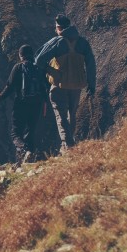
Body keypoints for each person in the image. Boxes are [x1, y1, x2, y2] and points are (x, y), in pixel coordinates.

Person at [35, 14, 96, 154]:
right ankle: (70, 143)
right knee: (72, 114)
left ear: (59, 27)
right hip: (77, 86)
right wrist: (91, 84)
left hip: (59, 85)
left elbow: (39, 60)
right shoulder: (83, 43)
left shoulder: (57, 42)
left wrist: (52, 72)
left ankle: (68, 145)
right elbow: (91, 65)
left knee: (60, 115)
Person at [0, 45, 48, 165]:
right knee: (30, 131)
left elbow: (9, 87)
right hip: (37, 104)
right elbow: (45, 85)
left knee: (15, 133)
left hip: (21, 104)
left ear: (20, 55)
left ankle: (23, 150)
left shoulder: (18, 67)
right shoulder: (39, 67)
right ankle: (29, 157)